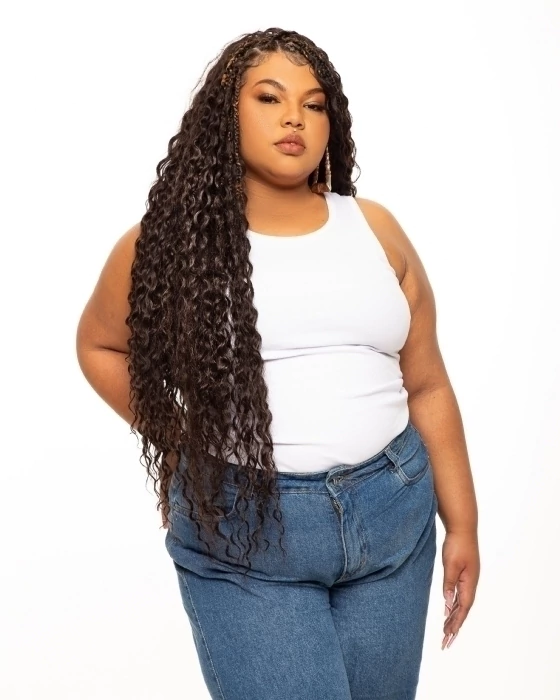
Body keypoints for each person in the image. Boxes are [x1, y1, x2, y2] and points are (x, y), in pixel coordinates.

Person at [76, 27, 480, 700]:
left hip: (392, 517)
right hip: (246, 532)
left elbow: (428, 383)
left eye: (314, 104)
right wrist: (179, 439)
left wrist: (462, 522)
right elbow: (100, 347)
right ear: (225, 112)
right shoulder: (166, 245)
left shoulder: (375, 229)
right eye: (269, 98)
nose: (294, 117)